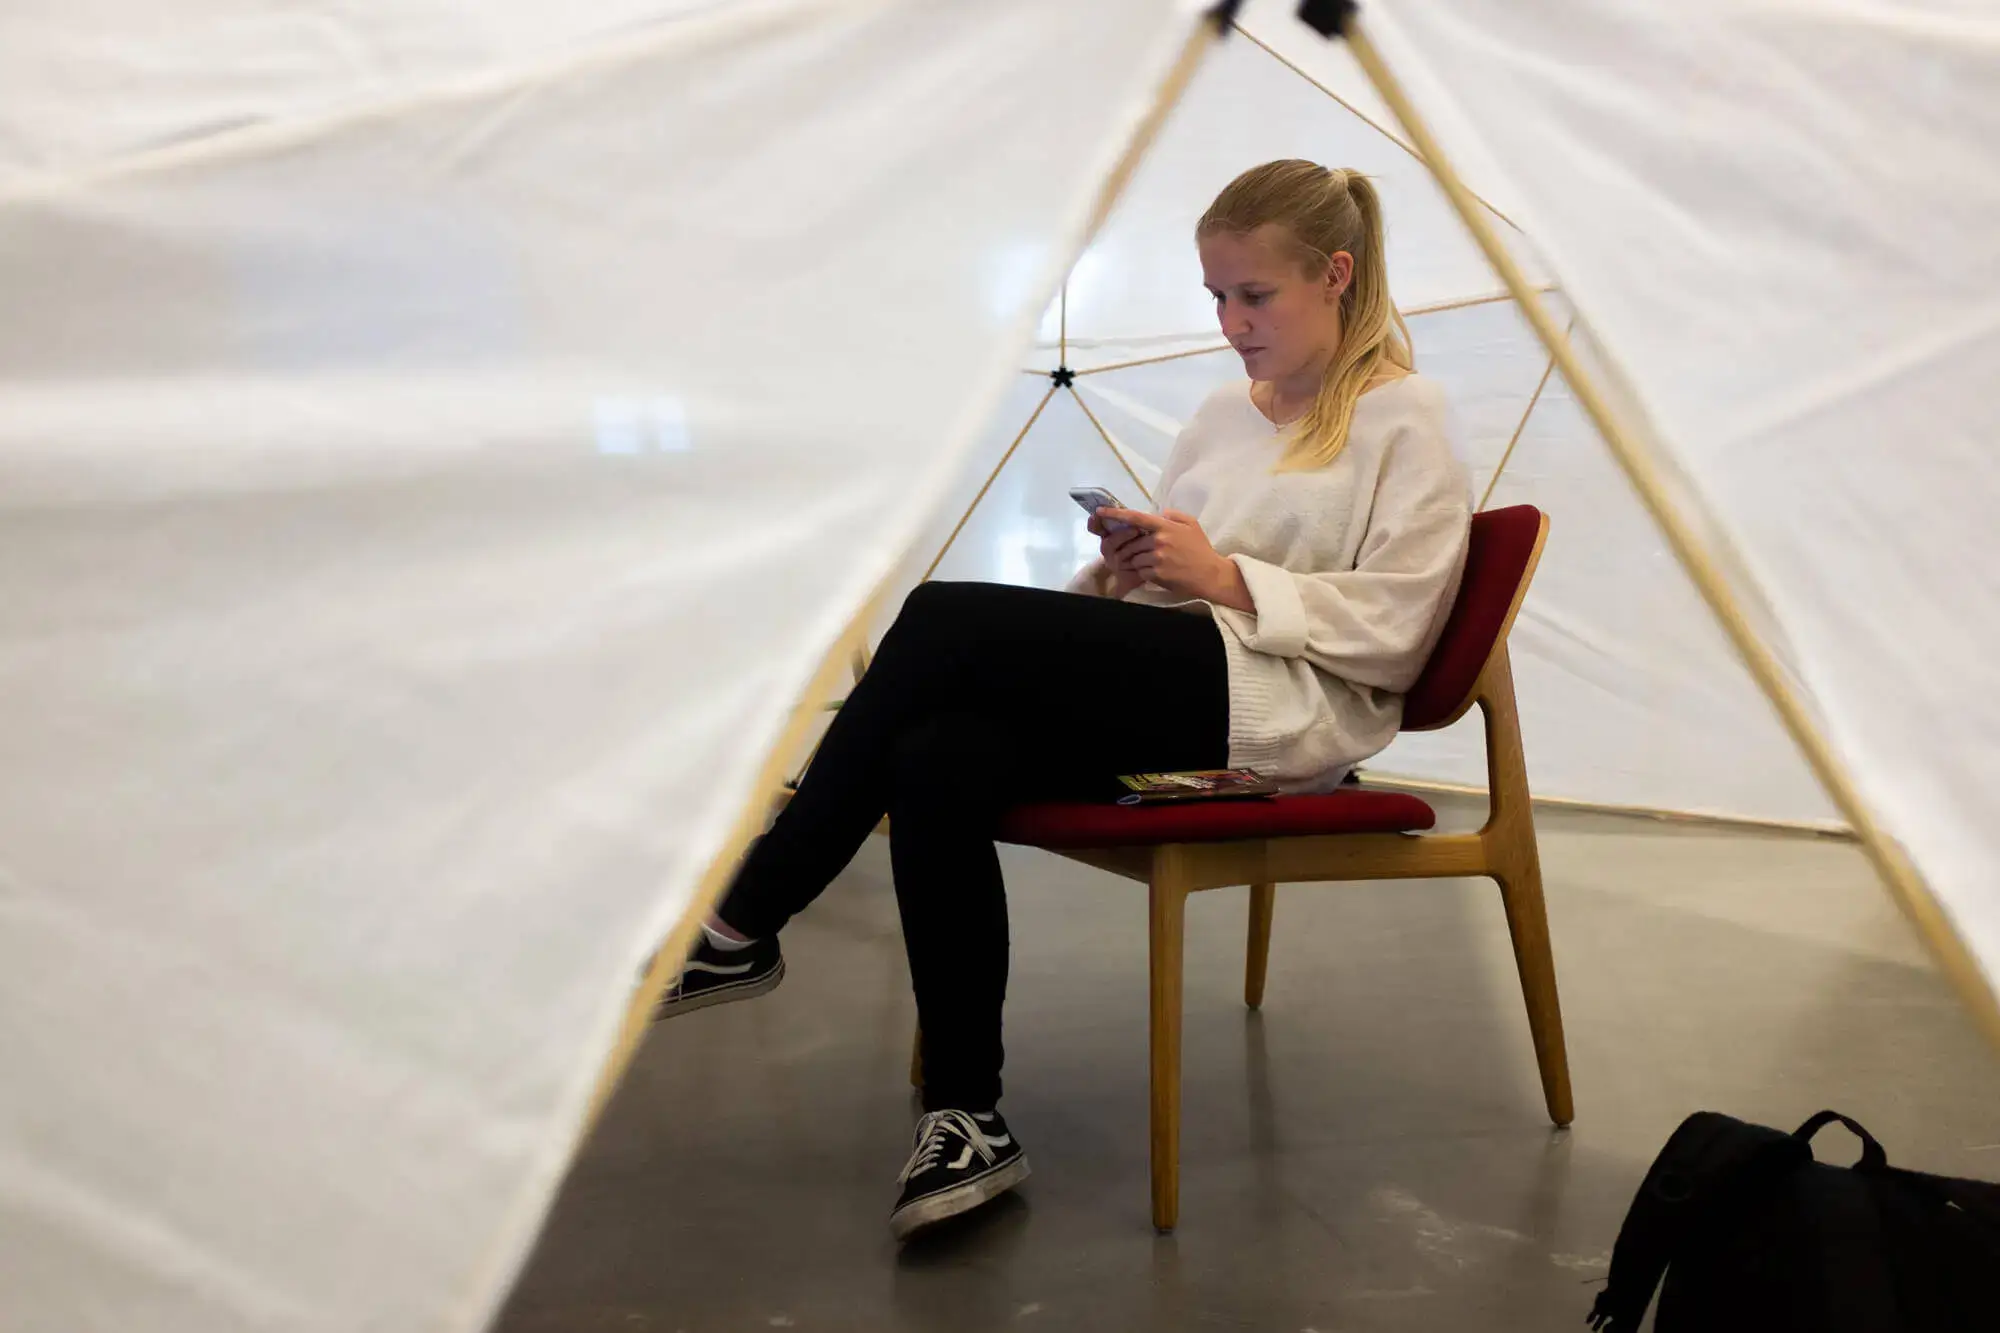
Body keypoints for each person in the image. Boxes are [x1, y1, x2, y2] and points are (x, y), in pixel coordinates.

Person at [655, 160, 1471, 1240]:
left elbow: (1403, 635)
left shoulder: (1404, 415)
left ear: (1335, 274)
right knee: (937, 753)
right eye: (1214, 298)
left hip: (1282, 719)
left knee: (944, 616)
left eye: (1253, 296)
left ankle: (744, 912)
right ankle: (966, 1112)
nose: (1229, 323)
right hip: (1180, 686)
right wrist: (1129, 571)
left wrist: (1223, 579)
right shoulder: (1225, 415)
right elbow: (1172, 592)